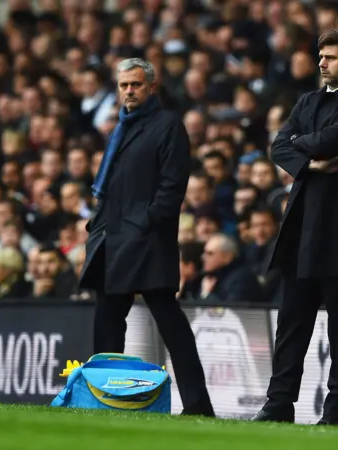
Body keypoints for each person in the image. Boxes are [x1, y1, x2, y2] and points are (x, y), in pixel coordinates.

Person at [253, 28, 338, 425]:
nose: (322, 63)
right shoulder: (308, 99)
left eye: (331, 57)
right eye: (321, 56)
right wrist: (312, 164)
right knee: (292, 320)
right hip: (303, 223)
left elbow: (326, 139)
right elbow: (279, 145)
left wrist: (302, 145)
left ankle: (337, 410)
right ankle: (278, 404)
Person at [78, 58, 214, 417]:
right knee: (107, 319)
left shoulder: (167, 125)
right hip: (115, 239)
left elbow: (172, 186)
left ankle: (198, 405)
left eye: (136, 85)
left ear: (151, 87)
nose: (129, 91)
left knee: (169, 321)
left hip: (147, 240)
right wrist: (99, 226)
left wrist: (146, 222)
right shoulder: (121, 127)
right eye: (123, 85)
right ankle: (104, 400)